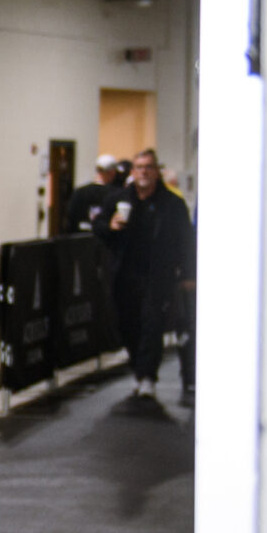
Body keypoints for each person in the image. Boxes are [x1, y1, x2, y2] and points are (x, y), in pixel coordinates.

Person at [97, 147, 194, 400]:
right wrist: (110, 225)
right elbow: (98, 227)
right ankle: (139, 371)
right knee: (128, 325)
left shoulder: (172, 204)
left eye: (149, 167)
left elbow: (186, 240)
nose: (144, 172)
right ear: (133, 171)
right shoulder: (118, 200)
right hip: (124, 275)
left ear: (156, 171)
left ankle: (147, 376)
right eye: (139, 167)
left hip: (158, 275)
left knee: (153, 325)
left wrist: (188, 273)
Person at [63, 153, 123, 234]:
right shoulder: (116, 194)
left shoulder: (79, 192)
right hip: (105, 240)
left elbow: (70, 220)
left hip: (80, 239)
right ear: (112, 172)